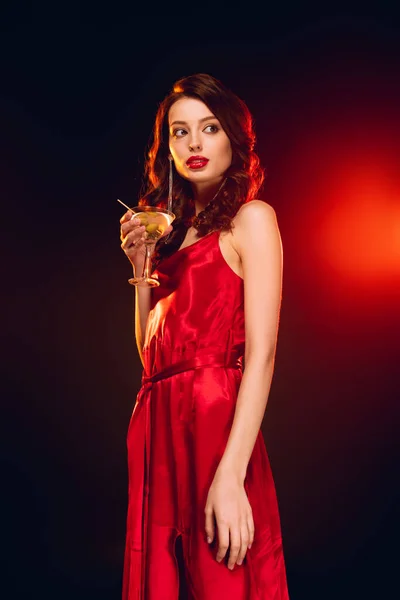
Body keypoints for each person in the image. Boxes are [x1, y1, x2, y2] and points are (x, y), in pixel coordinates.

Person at [119, 73, 289, 600]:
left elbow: (261, 357)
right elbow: (152, 358)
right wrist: (142, 266)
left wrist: (231, 474)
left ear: (232, 139)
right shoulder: (171, 239)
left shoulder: (251, 221)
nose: (193, 143)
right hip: (157, 430)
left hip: (217, 432)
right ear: (166, 147)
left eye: (209, 128)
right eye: (179, 132)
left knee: (227, 579)